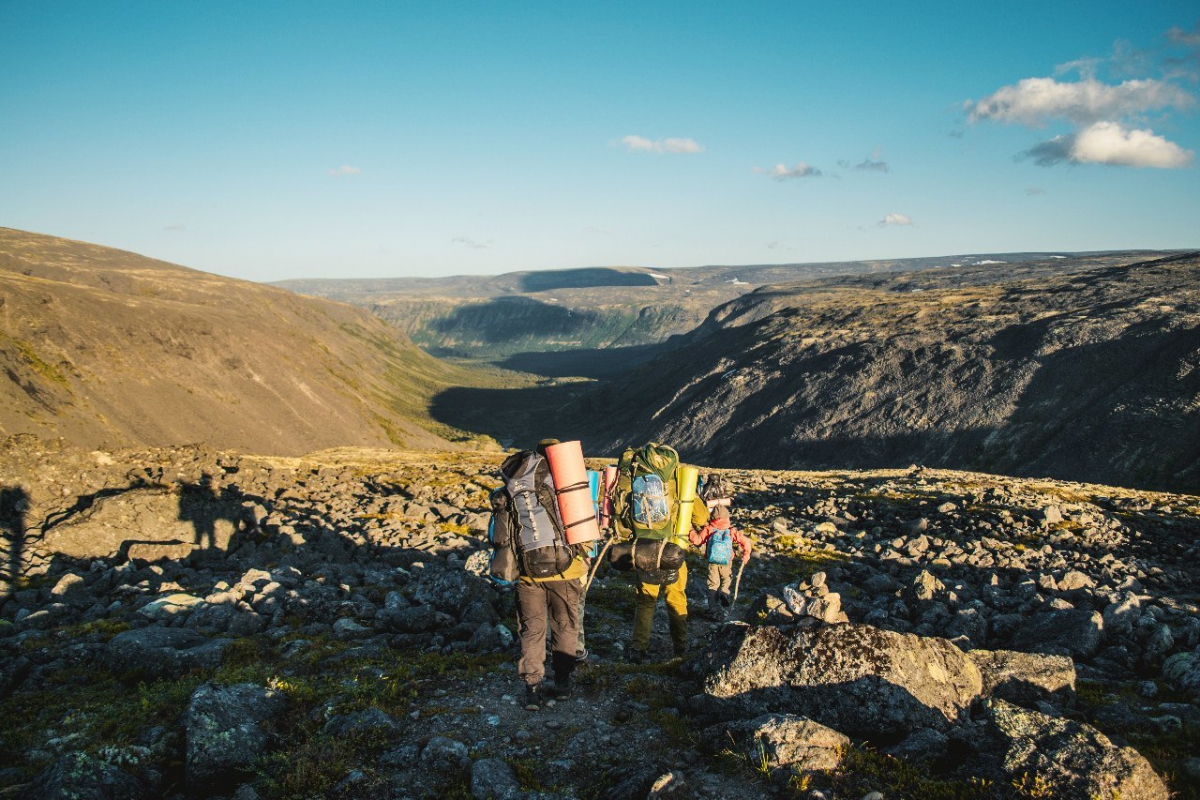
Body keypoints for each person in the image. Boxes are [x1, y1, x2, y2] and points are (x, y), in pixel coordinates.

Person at [491, 440, 588, 710]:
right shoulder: (564, 482)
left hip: (527, 572)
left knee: (532, 630)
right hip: (566, 570)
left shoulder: (513, 487)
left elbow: (503, 535)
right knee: (565, 626)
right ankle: (563, 684)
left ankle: (532, 688)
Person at [611, 442, 709, 663]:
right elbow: (701, 519)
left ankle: (638, 649)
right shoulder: (678, 483)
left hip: (643, 549)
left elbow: (621, 515)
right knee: (676, 599)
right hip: (674, 549)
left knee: (646, 601)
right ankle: (681, 648)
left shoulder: (635, 481)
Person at [690, 505, 752, 620]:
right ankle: (724, 592)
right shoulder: (731, 531)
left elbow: (697, 540)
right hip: (726, 561)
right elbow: (746, 541)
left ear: (712, 517)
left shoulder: (709, 529)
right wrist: (746, 554)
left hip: (712, 561)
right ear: (727, 517)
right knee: (727, 578)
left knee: (712, 584)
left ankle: (713, 608)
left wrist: (690, 530)